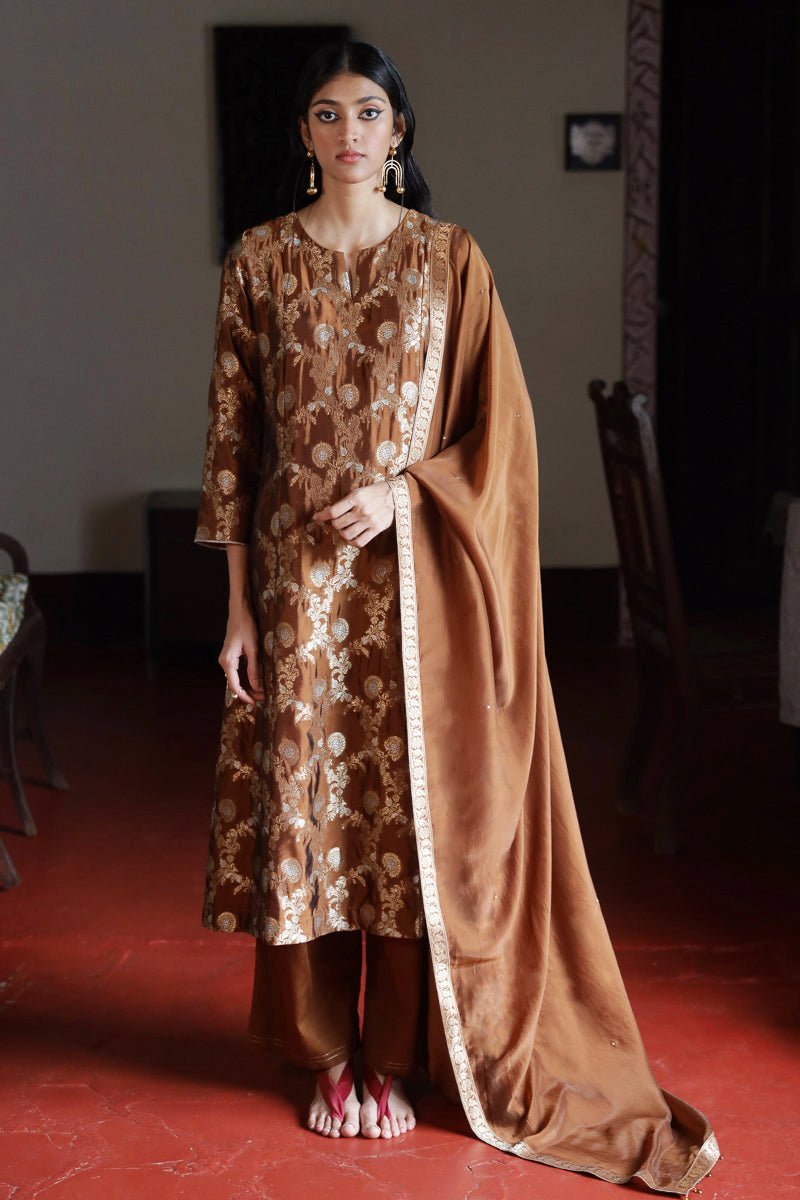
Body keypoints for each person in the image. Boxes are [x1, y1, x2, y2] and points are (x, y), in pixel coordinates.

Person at [195, 38, 721, 1191]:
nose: (347, 133)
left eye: (367, 112)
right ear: (302, 135)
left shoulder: (448, 261)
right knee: (309, 819)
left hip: (413, 592)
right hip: (294, 593)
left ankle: (392, 1058)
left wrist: (402, 494)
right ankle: (324, 1056)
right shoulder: (259, 262)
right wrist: (237, 609)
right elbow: (232, 448)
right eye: (326, 114)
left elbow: (502, 435)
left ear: (399, 132)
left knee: (396, 822)